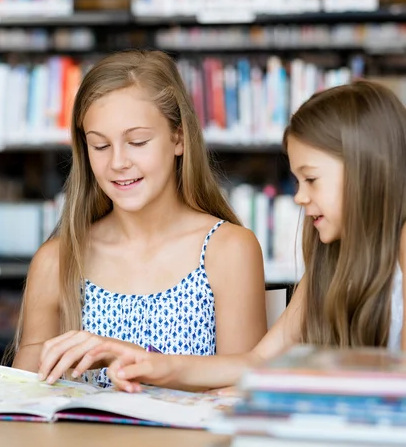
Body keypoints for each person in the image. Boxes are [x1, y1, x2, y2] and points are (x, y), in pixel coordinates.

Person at [70, 80, 406, 393]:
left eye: (312, 180)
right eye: (297, 182)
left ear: (368, 173)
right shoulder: (329, 265)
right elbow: (258, 362)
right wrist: (152, 364)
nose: (300, 198)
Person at [12, 50, 267, 388]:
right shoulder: (57, 260)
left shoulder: (228, 250)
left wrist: (138, 360)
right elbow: (21, 398)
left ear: (178, 138)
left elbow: (242, 390)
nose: (118, 162)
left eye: (137, 141)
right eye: (100, 146)